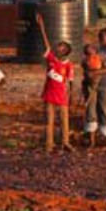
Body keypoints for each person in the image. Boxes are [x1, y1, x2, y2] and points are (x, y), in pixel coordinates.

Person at [38, 25, 74, 153]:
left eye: (61, 47)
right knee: (49, 119)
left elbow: (70, 81)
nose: (57, 48)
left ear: (66, 51)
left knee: (64, 119)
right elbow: (46, 44)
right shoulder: (51, 59)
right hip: (49, 93)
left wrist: (70, 96)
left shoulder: (69, 65)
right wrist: (42, 26)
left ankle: (65, 142)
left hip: (62, 95)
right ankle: (49, 143)